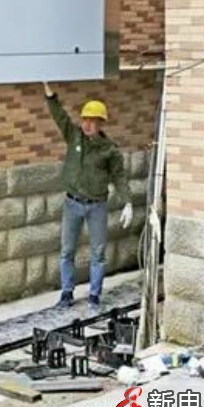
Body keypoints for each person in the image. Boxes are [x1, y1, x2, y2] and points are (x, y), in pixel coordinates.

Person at [43, 83, 133, 310]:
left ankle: (94, 296)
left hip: (97, 206)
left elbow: (119, 177)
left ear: (101, 123)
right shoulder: (74, 136)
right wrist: (50, 93)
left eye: (93, 121)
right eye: (85, 119)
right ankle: (66, 293)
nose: (87, 124)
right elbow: (59, 116)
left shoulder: (109, 150)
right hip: (72, 203)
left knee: (98, 253)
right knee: (67, 251)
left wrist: (127, 202)